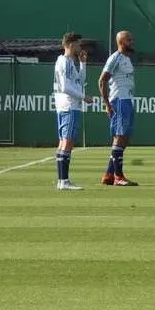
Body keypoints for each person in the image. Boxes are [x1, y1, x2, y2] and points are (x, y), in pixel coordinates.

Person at [99, 30, 139, 186]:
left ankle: (109, 174)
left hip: (127, 100)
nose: (132, 42)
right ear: (121, 42)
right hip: (120, 101)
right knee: (119, 136)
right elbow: (102, 80)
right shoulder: (115, 58)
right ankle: (118, 176)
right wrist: (107, 104)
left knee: (124, 137)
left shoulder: (126, 59)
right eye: (129, 40)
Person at [53, 32, 87, 191]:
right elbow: (66, 87)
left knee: (64, 142)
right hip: (69, 105)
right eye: (78, 44)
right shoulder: (64, 62)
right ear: (71, 44)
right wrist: (83, 97)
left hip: (65, 105)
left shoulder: (69, 62)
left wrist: (83, 64)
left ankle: (62, 180)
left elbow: (80, 81)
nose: (80, 47)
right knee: (67, 142)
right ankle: (64, 181)